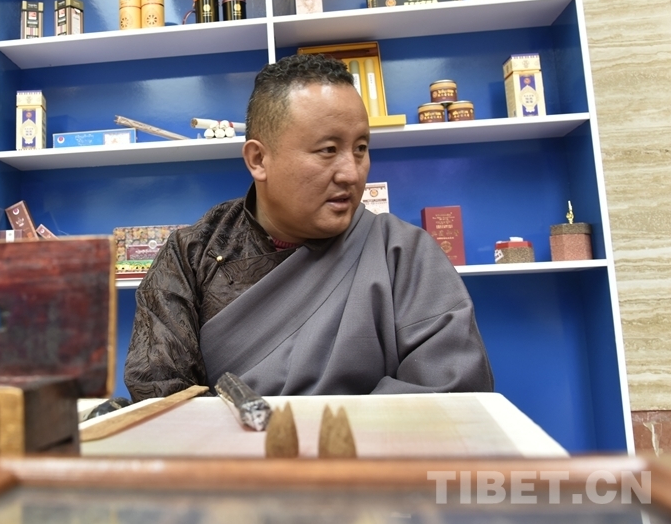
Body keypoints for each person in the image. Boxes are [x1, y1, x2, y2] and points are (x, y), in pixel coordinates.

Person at [124, 54, 493, 401]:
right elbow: (164, 401)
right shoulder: (191, 256)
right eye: (328, 150)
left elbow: (453, 395)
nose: (351, 174)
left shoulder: (403, 254)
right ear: (259, 159)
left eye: (361, 148)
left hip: (362, 450)